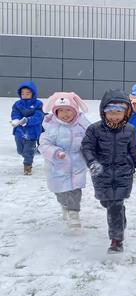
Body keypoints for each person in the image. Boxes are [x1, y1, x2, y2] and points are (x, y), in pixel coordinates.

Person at [81, 89, 136, 253]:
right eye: (111, 112)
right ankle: (120, 217)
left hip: (123, 174)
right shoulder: (94, 130)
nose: (114, 116)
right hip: (101, 175)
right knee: (107, 203)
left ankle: (116, 241)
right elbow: (86, 147)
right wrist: (92, 162)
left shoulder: (130, 130)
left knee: (115, 205)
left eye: (118, 112)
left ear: (125, 112)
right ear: (103, 112)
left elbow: (134, 152)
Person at [39, 92, 90, 229]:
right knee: (60, 192)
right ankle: (65, 205)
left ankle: (74, 213)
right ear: (55, 112)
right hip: (57, 167)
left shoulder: (82, 126)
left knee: (75, 190)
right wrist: (55, 152)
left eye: (68, 110)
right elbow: (44, 145)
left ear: (75, 111)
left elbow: (90, 141)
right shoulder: (51, 127)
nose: (65, 114)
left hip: (77, 165)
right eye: (60, 110)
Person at [10, 81, 44, 175]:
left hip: (32, 132)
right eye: (22, 93)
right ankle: (28, 156)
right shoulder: (17, 104)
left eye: (27, 93)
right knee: (20, 150)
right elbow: (15, 113)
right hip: (19, 131)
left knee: (28, 151)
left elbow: (38, 116)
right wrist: (15, 120)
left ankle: (27, 166)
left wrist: (27, 120)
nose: (24, 95)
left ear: (33, 94)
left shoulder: (38, 104)